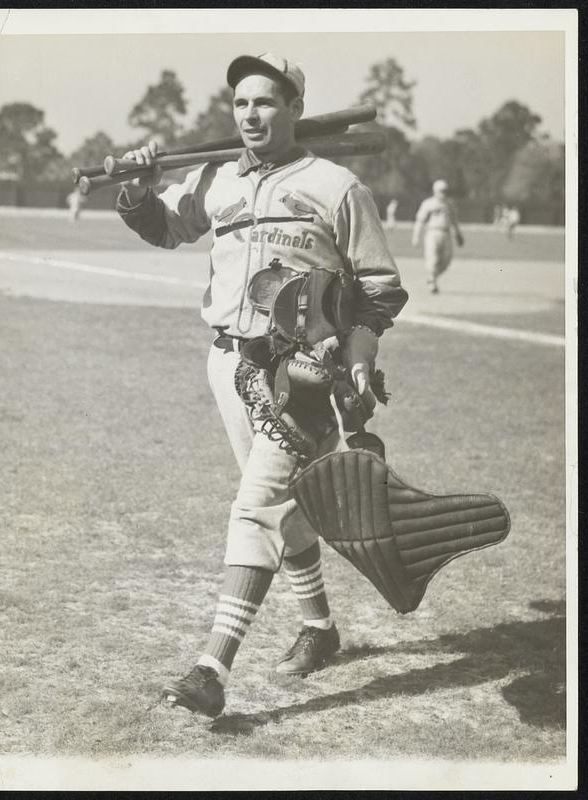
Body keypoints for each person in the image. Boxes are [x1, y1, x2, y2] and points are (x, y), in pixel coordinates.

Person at [116, 52, 408, 718]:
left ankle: (210, 667)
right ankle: (320, 629)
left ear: (296, 108)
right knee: (280, 505)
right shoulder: (214, 178)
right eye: (242, 102)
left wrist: (359, 354)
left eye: (266, 102)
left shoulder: (334, 185)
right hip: (229, 364)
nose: (251, 113)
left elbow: (381, 287)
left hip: (302, 373)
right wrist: (135, 189)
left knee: (255, 507)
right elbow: (166, 230)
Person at [412, 179, 464, 294]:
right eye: (441, 191)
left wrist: (458, 234)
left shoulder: (449, 204)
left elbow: (454, 221)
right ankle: (432, 283)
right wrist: (416, 236)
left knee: (446, 260)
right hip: (432, 233)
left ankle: (432, 277)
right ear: (435, 191)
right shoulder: (428, 203)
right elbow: (420, 221)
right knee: (433, 259)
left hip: (446, 233)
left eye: (445, 191)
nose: (443, 194)